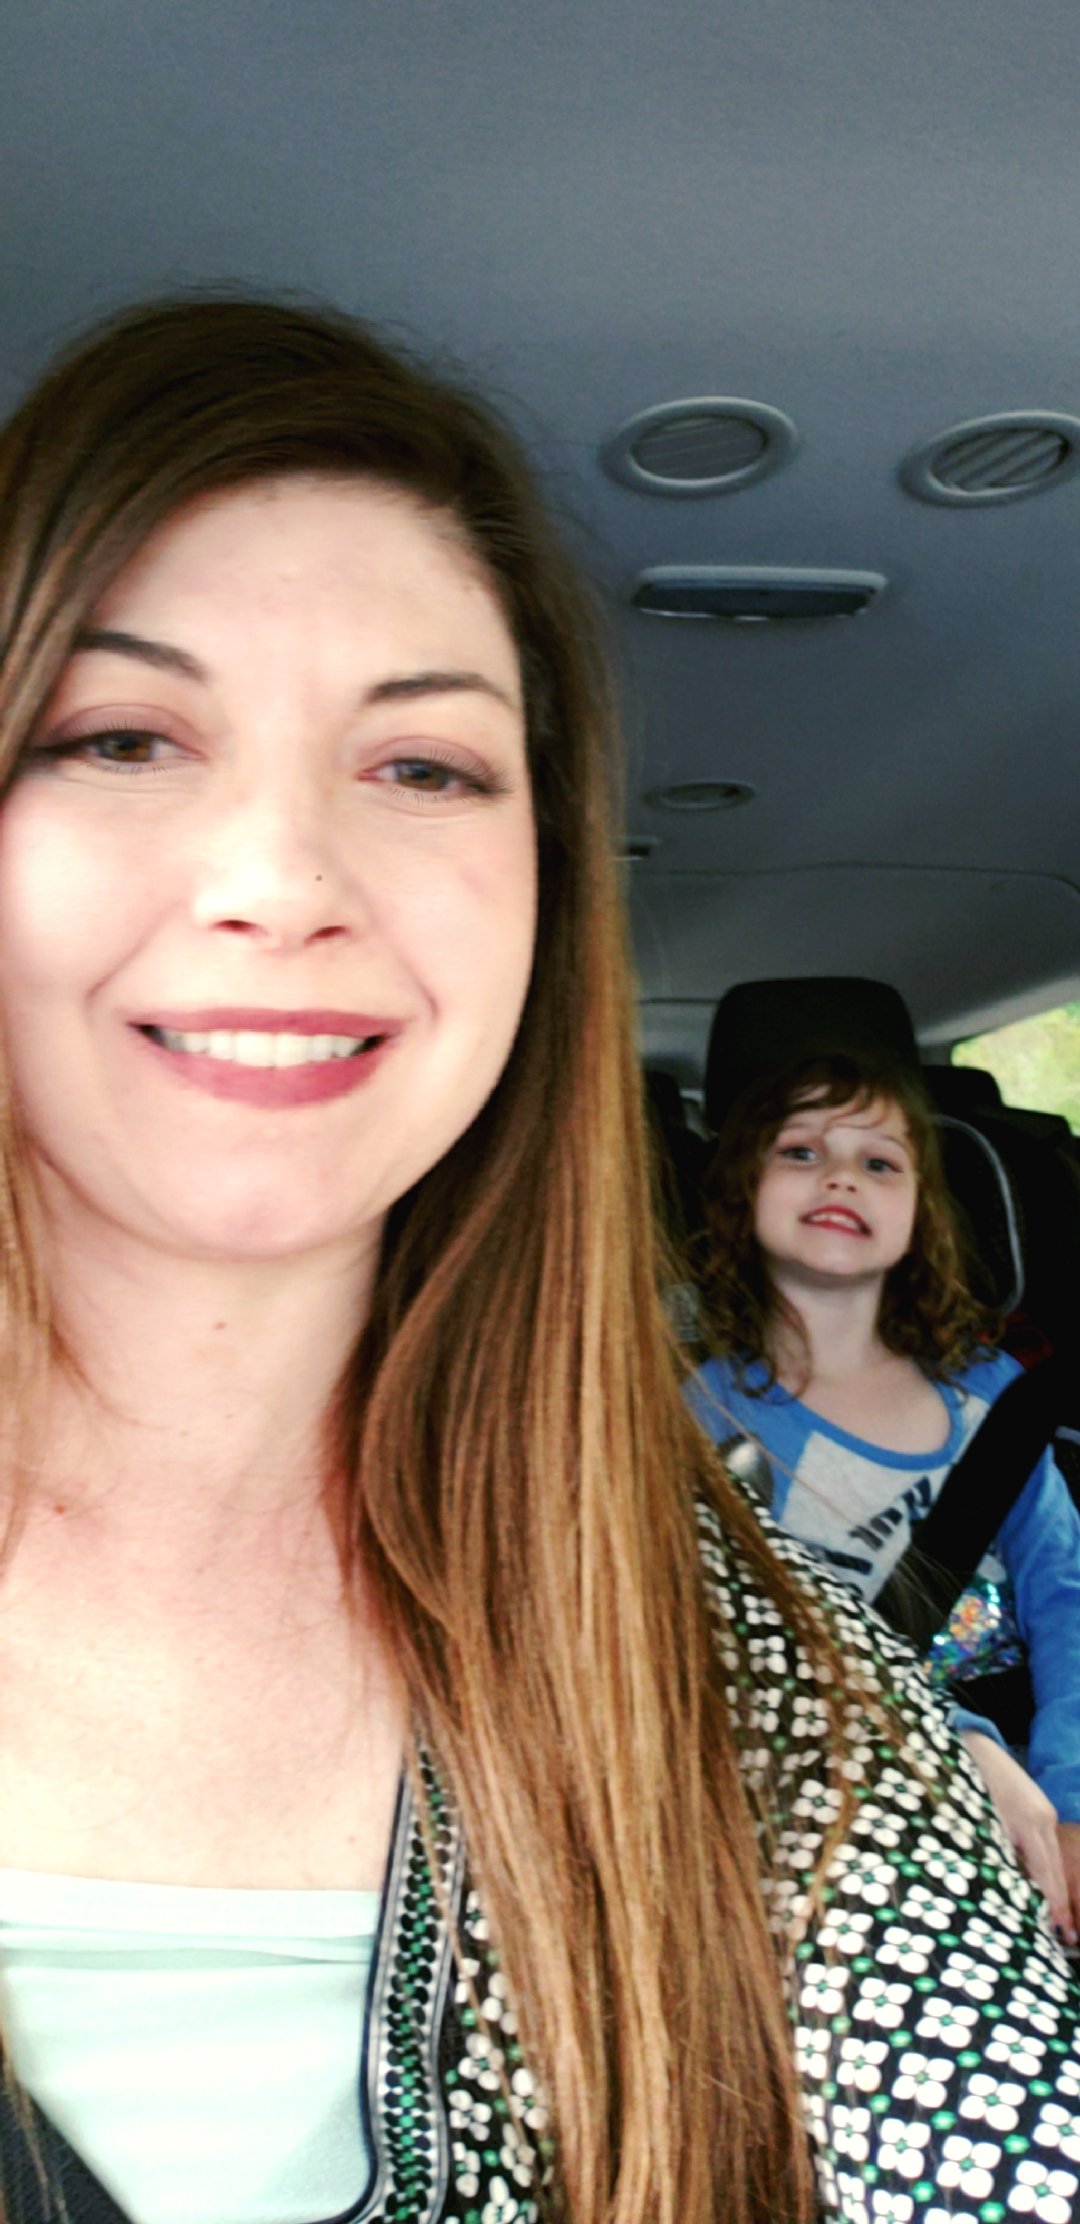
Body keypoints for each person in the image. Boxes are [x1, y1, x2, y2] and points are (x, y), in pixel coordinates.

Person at [0, 298, 1075, 2224]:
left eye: (425, 766)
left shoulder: (770, 1703)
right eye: (120, 733)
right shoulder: (724, 1431)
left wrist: (998, 1778)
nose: (282, 877)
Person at [687, 1048, 1080, 1942]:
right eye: (801, 1152)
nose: (842, 1177)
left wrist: (1071, 1801)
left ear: (919, 1214)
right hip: (844, 1800)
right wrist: (961, 1743)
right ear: (742, 1191)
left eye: (880, 1162)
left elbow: (1067, 1598)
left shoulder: (991, 1396)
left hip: (1041, 1773)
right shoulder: (703, 1419)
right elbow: (742, 1650)